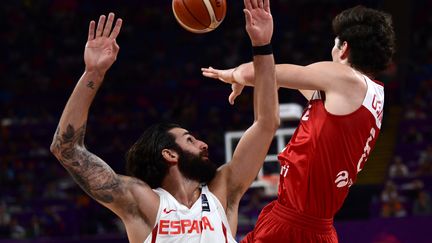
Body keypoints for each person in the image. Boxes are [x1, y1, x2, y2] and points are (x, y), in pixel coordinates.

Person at [50, 0, 279, 242]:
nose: (203, 144)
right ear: (169, 154)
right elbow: (66, 149)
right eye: (190, 139)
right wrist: (93, 73)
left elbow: (266, 122)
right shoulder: (144, 203)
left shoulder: (222, 193)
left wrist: (262, 45)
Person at [202, 4, 396, 243]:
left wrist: (233, 74)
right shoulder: (368, 97)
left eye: (335, 45)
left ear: (344, 49)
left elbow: (263, 73)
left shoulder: (345, 79)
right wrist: (252, 77)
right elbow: (276, 79)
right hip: (313, 226)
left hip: (293, 226)